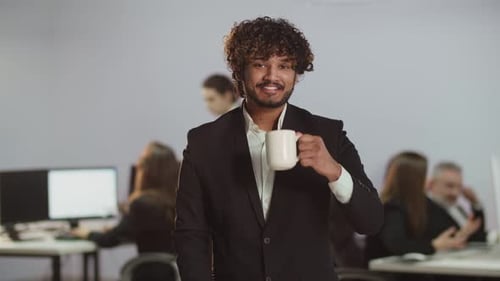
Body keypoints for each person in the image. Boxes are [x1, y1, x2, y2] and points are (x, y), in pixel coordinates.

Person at [175, 16, 383, 281]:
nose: (272, 76)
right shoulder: (204, 142)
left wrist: (334, 172)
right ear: (239, 70)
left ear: (296, 74)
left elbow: (371, 222)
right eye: (260, 64)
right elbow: (190, 233)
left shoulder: (328, 134)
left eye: (284, 66)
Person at [365, 152, 478, 262]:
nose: (428, 180)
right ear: (414, 179)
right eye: (425, 175)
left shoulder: (416, 205)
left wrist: (460, 234)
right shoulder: (391, 207)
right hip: (385, 273)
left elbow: (442, 226)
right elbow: (397, 245)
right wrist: (434, 245)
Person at [72, 141, 178, 254]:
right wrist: (118, 229)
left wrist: (86, 233)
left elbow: (109, 240)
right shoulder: (181, 200)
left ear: (146, 171)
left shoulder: (143, 204)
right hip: (180, 269)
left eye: (141, 162)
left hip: (152, 269)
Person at [427, 162, 486, 242]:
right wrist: (463, 234)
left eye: (459, 187)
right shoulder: (424, 209)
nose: (455, 193)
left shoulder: (456, 208)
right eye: (449, 186)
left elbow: (478, 236)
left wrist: (475, 202)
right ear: (432, 184)